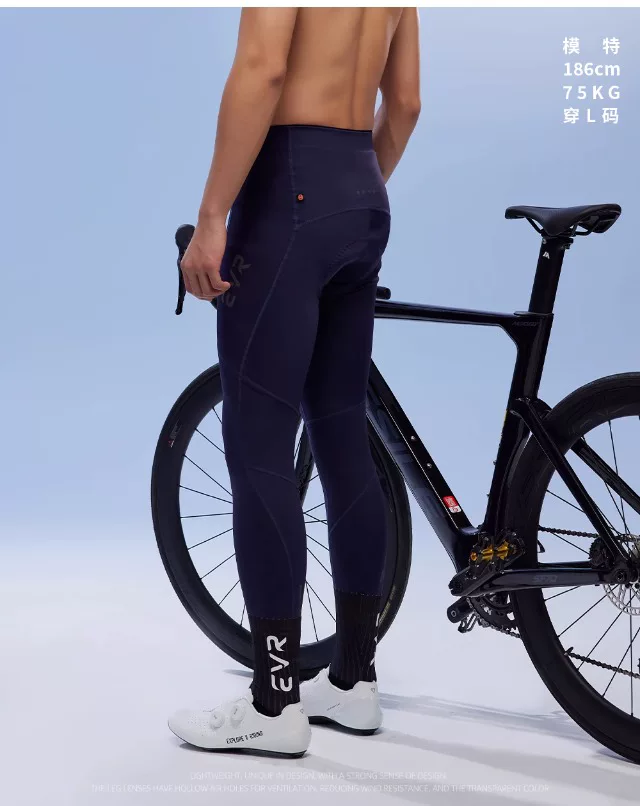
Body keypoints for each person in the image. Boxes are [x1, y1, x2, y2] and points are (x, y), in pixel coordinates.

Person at [169, 6, 421, 757]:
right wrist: (351, 189)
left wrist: (212, 216)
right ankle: (354, 681)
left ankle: (275, 702)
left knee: (260, 446)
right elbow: (406, 102)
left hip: (289, 193)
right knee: (342, 435)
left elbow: (264, 67)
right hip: (361, 193)